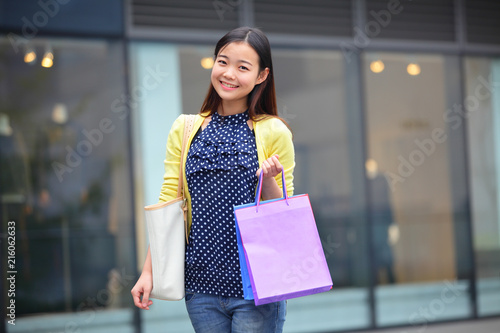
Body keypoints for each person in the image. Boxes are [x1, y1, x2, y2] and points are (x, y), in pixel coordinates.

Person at [131, 26, 295, 332]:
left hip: (256, 287)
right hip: (201, 287)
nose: (229, 73)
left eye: (242, 67)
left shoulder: (274, 131)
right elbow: (169, 204)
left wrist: (269, 179)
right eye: (223, 62)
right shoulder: (185, 128)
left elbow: (284, 216)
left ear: (262, 75)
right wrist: (148, 272)